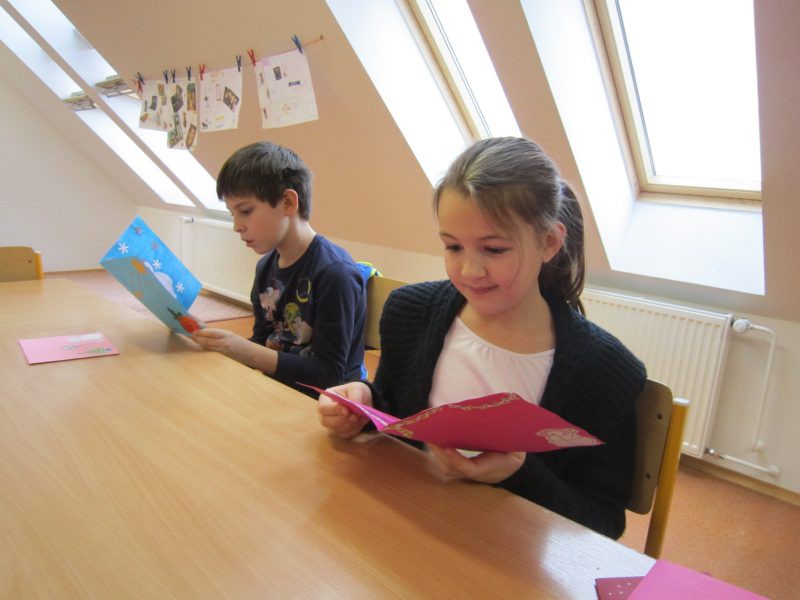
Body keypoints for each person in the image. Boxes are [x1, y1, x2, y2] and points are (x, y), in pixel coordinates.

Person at [317, 137, 646, 539]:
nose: (470, 270)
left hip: (512, 553)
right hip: (409, 529)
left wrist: (519, 474)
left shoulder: (605, 370)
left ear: (548, 242)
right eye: (453, 246)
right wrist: (363, 404)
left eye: (494, 249)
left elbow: (603, 521)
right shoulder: (410, 313)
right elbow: (395, 415)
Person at [192, 141, 367, 397]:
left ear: (287, 202)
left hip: (325, 405)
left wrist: (244, 350)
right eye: (232, 215)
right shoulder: (265, 268)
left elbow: (329, 374)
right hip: (274, 391)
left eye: (245, 211)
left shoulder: (335, 273)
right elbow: (262, 342)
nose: (237, 226)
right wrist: (218, 341)